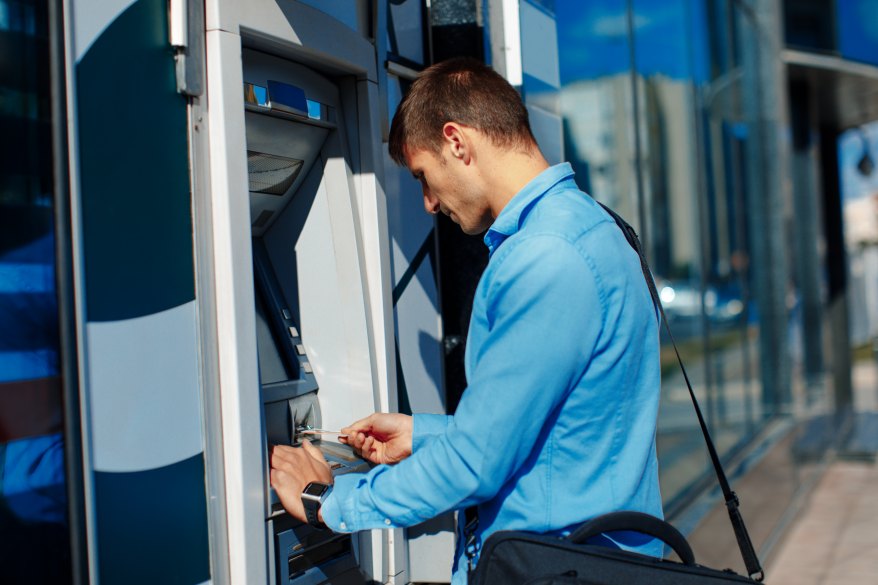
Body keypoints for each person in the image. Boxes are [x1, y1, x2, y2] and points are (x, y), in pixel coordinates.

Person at [269, 57, 663, 584]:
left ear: (457, 141)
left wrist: (329, 500)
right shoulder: (596, 228)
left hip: (555, 568)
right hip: (593, 562)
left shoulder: (543, 257)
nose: (429, 203)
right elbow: (563, 430)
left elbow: (480, 463)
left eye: (423, 177)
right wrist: (427, 435)